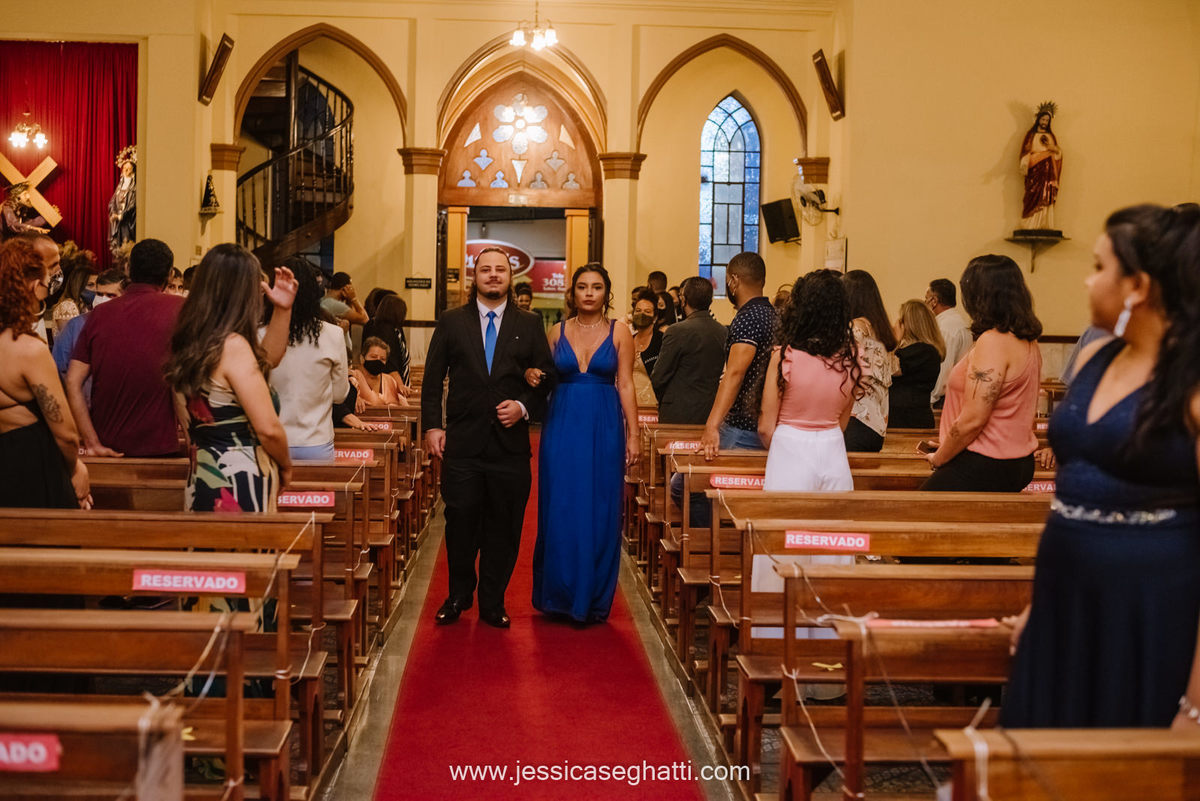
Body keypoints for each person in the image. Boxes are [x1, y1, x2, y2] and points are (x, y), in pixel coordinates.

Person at [1003, 203, 1200, 729]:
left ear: (1136, 286)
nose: (1088, 282)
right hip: (1067, 592)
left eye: (1098, 268)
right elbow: (1070, 486)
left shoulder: (1191, 384)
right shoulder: (1096, 357)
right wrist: (1038, 604)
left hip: (1148, 604)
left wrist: (1197, 702)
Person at [420, 246, 555, 628]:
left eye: (500, 270)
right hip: (463, 444)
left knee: (505, 527)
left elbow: (546, 378)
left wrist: (524, 407)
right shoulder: (451, 321)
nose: (493, 275)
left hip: (509, 449)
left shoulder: (529, 323)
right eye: (485, 270)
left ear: (510, 278)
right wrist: (432, 425)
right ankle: (459, 593)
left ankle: (492, 602)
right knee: (460, 522)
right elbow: (432, 379)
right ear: (474, 277)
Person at [757, 270, 862, 697]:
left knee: (780, 556)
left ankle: (773, 667)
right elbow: (843, 418)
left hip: (790, 449)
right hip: (833, 452)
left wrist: (787, 443)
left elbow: (766, 423)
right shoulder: (851, 356)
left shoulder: (784, 355)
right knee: (831, 558)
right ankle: (828, 674)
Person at [531, 263, 639, 623]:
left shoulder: (620, 332)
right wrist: (531, 376)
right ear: (572, 292)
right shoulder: (555, 331)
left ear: (606, 293)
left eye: (596, 287)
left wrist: (634, 434)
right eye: (582, 287)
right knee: (560, 506)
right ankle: (558, 595)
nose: (589, 293)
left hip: (604, 425)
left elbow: (625, 384)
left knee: (599, 508)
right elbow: (544, 380)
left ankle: (591, 597)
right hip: (561, 426)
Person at [163, 243, 297, 512]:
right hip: (237, 480)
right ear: (240, 293)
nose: (260, 293)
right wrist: (286, 465)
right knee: (243, 553)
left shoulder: (193, 341)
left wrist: (282, 310)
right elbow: (268, 429)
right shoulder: (233, 345)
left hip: (203, 474)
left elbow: (266, 362)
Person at [922, 255, 1042, 491]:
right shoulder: (1028, 341)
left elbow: (973, 420)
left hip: (986, 461)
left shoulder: (993, 341)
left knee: (916, 517)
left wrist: (940, 457)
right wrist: (949, 443)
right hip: (1016, 460)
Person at [66, 239, 184, 458]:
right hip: (161, 446)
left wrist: (91, 442)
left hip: (107, 447)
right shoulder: (181, 310)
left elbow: (72, 381)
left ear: (129, 269)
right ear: (169, 275)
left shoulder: (99, 315)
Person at [0, 237, 90, 509]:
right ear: (32, 285)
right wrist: (76, 469)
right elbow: (64, 433)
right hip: (29, 470)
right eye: (47, 277)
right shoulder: (28, 350)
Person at [265, 259, 349, 462]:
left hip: (271, 440)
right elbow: (339, 395)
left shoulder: (260, 334)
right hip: (315, 441)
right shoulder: (333, 334)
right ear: (314, 293)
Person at [700, 251, 779, 458]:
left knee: (684, 485)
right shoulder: (775, 315)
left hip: (742, 425)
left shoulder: (748, 318)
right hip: (767, 422)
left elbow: (735, 374)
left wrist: (712, 425)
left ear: (733, 280)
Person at [652, 276, 727, 424]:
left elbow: (659, 376)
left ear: (683, 300)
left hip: (677, 411)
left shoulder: (676, 330)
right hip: (710, 409)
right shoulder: (722, 331)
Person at [842, 270, 895, 452]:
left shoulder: (855, 328)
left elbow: (846, 373)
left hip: (856, 418)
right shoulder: (879, 330)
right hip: (876, 423)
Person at [52, 269, 125, 380]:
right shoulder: (76, 325)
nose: (102, 299)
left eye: (110, 295)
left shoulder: (129, 327)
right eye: (99, 294)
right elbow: (60, 365)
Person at [888, 299, 945, 429]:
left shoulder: (924, 351)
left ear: (909, 324)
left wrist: (894, 341)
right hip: (902, 417)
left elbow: (891, 369)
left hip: (908, 419)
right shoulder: (914, 350)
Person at [926, 278, 974, 406]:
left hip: (944, 400)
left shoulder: (944, 328)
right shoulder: (961, 322)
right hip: (960, 394)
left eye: (926, 299)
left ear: (934, 301)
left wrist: (931, 398)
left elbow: (943, 367)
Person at [1018, 106, 1063, 231]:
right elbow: (1025, 153)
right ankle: (1030, 223)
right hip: (1034, 171)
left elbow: (1058, 154)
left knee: (1046, 194)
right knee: (1032, 194)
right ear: (1038, 119)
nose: (1044, 122)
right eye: (1042, 119)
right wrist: (1027, 161)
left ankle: (1044, 223)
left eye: (1046, 121)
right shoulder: (1030, 135)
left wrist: (1056, 150)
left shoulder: (1051, 136)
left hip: (1048, 172)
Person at [361, 294, 411, 389]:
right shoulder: (390, 331)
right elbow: (391, 364)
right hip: (389, 385)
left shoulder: (370, 324)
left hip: (372, 382)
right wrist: (401, 386)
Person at [629, 288, 663, 408]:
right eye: (638, 310)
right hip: (628, 404)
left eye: (647, 311)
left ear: (655, 317)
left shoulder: (662, 341)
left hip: (653, 405)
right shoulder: (627, 340)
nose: (641, 314)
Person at [322, 271, 369, 351]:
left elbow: (351, 315)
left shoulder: (324, 300)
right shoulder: (335, 305)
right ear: (345, 288)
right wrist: (354, 299)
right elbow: (365, 319)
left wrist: (349, 300)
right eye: (350, 287)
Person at [354, 337, 405, 407]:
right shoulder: (354, 378)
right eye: (373, 357)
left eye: (382, 359)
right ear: (362, 358)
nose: (378, 361)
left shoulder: (390, 381)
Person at [108, 149, 137, 256]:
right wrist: (113, 213)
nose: (126, 171)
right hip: (118, 224)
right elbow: (112, 202)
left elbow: (132, 205)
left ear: (133, 172)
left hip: (128, 223)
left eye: (128, 169)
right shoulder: (119, 187)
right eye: (124, 168)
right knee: (118, 248)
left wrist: (120, 216)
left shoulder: (134, 188)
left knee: (127, 248)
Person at [51, 262, 93, 334]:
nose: (95, 289)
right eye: (90, 285)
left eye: (96, 285)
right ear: (78, 285)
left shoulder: (85, 305)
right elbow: (71, 340)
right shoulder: (67, 306)